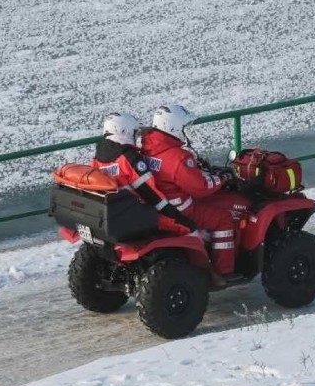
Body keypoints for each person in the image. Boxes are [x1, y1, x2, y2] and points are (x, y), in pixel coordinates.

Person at [140, 105, 236, 287]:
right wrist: (223, 178)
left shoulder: (147, 148)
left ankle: (206, 243)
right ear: (173, 127)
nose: (185, 131)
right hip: (181, 210)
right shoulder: (178, 157)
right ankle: (224, 271)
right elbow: (201, 188)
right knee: (223, 218)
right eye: (183, 127)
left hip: (157, 206)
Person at [91, 112, 198, 236]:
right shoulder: (129, 158)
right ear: (125, 132)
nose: (136, 137)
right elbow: (150, 193)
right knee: (190, 228)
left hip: (113, 213)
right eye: (135, 133)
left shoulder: (97, 157)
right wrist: (174, 215)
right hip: (137, 214)